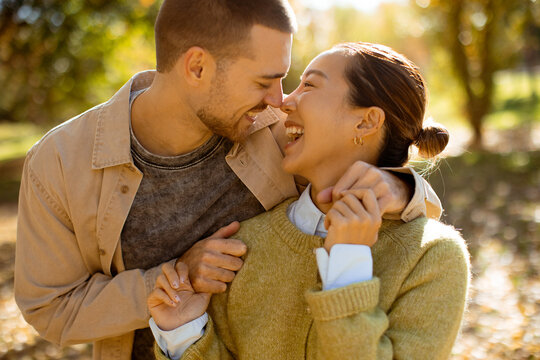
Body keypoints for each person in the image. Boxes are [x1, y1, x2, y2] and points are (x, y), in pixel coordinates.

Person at [14, 1, 441, 359]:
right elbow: (50, 308)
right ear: (197, 67)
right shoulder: (58, 163)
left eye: (284, 78)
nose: (280, 99)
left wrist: (401, 185)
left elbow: (408, 205)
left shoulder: (276, 129)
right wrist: (172, 278)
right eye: (264, 81)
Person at [149, 42, 470, 360]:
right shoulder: (237, 248)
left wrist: (348, 263)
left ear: (366, 122)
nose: (284, 101)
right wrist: (183, 333)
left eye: (310, 85)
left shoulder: (432, 257)